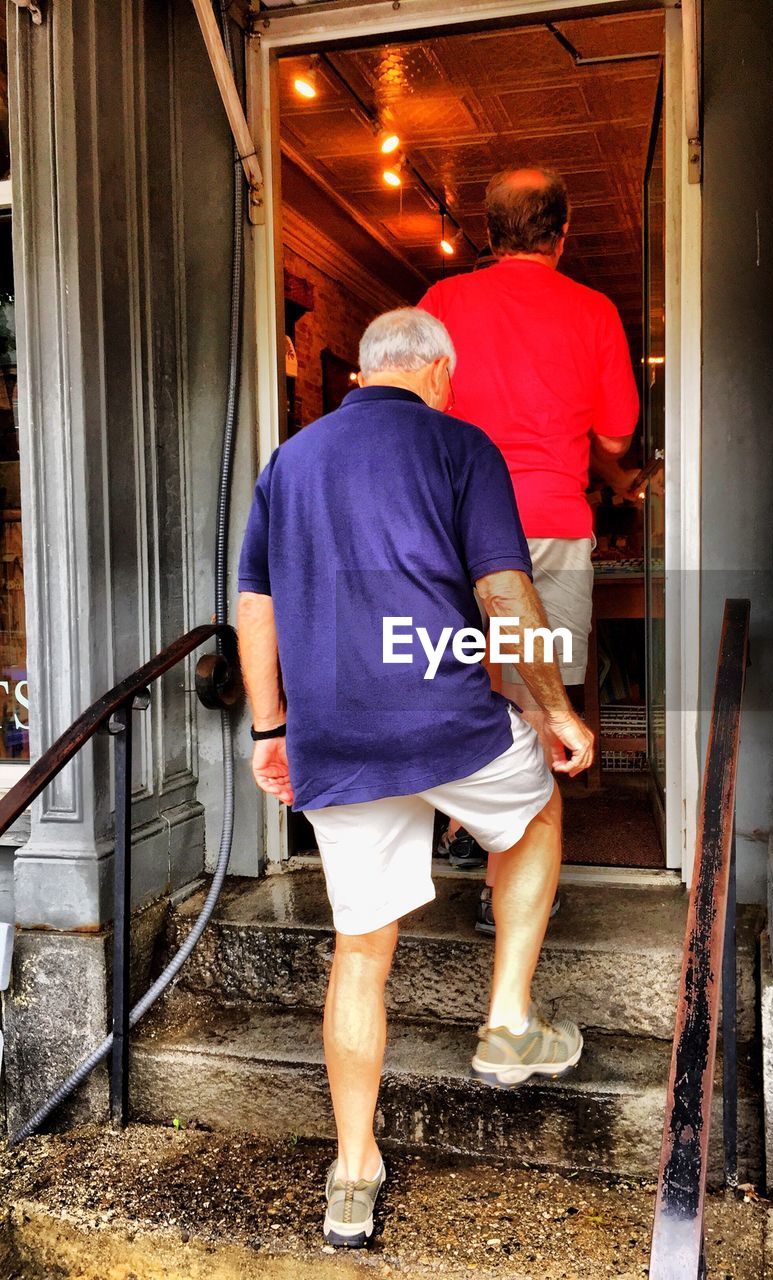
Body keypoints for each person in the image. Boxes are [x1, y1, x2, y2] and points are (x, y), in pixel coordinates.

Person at [236, 308, 595, 1249]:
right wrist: (553, 711)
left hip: (337, 738)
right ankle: (509, 1019)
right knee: (537, 810)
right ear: (438, 372)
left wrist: (272, 728)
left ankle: (352, 1176)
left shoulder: (290, 461)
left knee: (362, 950)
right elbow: (505, 596)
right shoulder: (458, 443)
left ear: (362, 373)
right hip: (446, 720)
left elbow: (255, 610)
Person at [419, 166, 641, 928]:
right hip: (547, 518)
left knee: (467, 682)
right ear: (563, 232)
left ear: (488, 233)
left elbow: (410, 411)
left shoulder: (443, 303)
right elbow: (616, 436)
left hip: (451, 521)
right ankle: (510, 879)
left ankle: (464, 827)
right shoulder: (594, 310)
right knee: (543, 699)